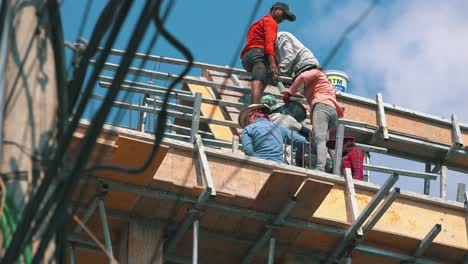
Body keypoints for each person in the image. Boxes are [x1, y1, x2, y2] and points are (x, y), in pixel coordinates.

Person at [282, 69, 344, 172]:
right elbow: (302, 86)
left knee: (320, 139)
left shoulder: (316, 73)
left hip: (321, 107)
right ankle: (339, 170)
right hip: (333, 110)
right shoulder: (322, 83)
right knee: (331, 143)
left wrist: (289, 92)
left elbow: (302, 77)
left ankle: (320, 168)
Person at [240, 2, 296, 104]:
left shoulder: (260, 22)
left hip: (247, 57)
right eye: (283, 14)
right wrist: (272, 63)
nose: (283, 18)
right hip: (258, 53)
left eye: (285, 17)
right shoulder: (270, 21)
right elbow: (269, 43)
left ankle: (256, 101)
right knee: (260, 75)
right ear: (274, 9)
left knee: (265, 77)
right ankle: (254, 108)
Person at [239, 104, 306, 163]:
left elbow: (248, 152)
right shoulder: (279, 128)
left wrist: (260, 162)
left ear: (251, 118)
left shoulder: (247, 129)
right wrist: (299, 157)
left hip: (259, 167)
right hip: (278, 166)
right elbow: (302, 140)